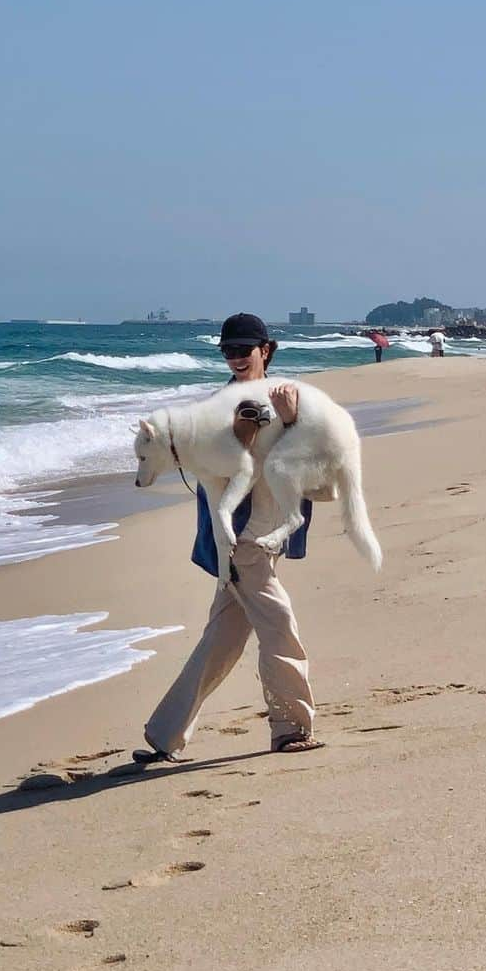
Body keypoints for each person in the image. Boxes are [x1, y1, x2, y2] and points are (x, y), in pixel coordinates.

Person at [132, 312, 324, 762]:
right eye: (228, 351)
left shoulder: (287, 397)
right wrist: (245, 430)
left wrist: (292, 420)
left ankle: (164, 733)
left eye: (244, 349)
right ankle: (290, 727)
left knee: (222, 637)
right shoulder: (221, 404)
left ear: (266, 350)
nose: (236, 358)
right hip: (239, 540)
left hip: (269, 534)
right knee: (278, 625)